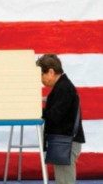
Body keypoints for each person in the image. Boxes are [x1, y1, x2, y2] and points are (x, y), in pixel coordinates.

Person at [36, 54, 85, 184]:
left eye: (41, 75)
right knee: (63, 179)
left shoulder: (64, 88)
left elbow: (55, 115)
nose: (41, 80)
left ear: (51, 72)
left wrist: (36, 111)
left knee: (64, 181)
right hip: (65, 141)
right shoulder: (62, 86)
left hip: (66, 142)